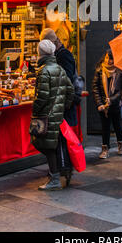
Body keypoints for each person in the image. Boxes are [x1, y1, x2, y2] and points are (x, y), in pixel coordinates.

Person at [31, 40, 75, 191]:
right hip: (57, 115)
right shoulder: (60, 69)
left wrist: (35, 110)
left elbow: (41, 97)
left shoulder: (44, 71)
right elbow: (70, 90)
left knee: (46, 146)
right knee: (51, 145)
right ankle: (55, 175)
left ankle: (54, 178)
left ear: (41, 53)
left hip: (45, 115)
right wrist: (63, 106)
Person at [92, 50, 122, 159]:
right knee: (105, 127)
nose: (109, 61)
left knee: (117, 125)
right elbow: (95, 88)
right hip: (103, 105)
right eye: (107, 58)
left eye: (111, 59)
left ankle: (121, 145)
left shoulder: (120, 72)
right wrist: (99, 103)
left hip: (115, 104)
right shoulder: (99, 71)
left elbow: (121, 91)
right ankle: (105, 149)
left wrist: (111, 100)